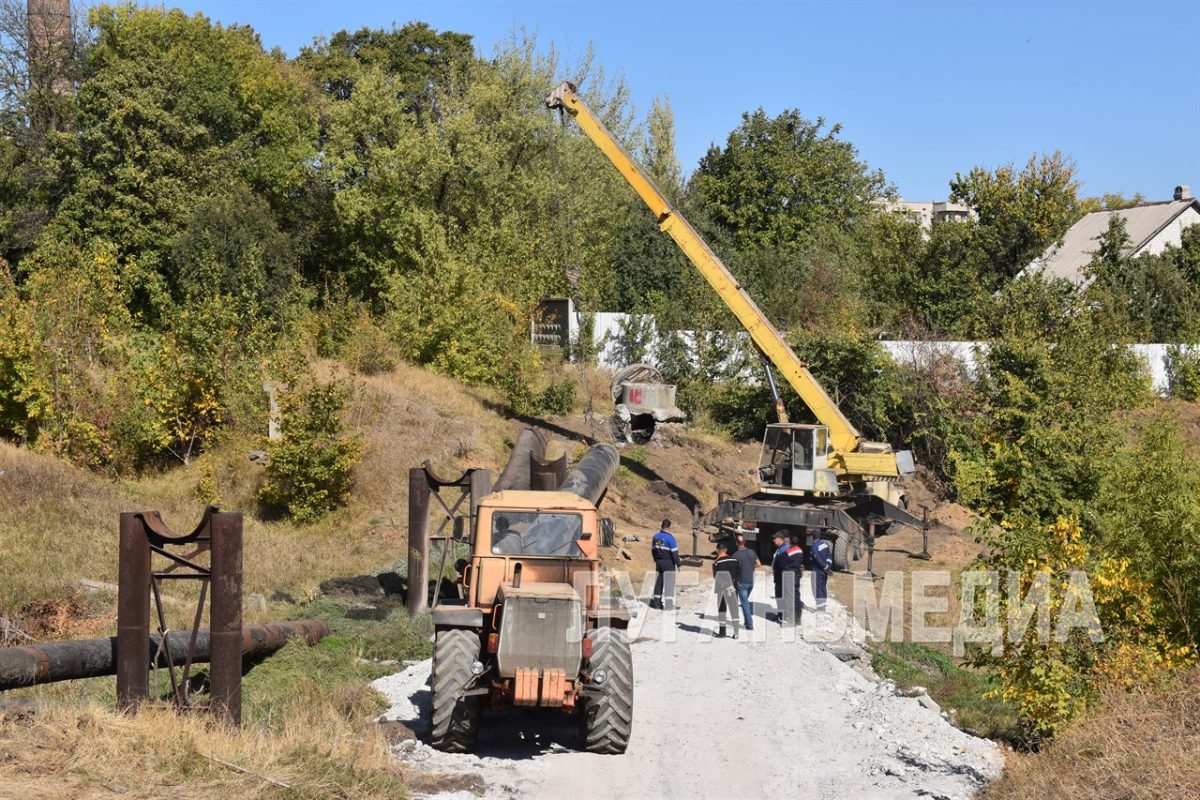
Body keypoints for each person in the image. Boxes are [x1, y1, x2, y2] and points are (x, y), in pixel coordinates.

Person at [650, 519, 681, 610]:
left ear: (662, 526)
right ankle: (669, 606)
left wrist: (656, 560)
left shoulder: (655, 537)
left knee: (658, 583)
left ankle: (657, 604)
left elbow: (653, 550)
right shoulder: (670, 538)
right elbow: (674, 554)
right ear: (669, 527)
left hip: (659, 562)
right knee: (669, 584)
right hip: (668, 563)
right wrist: (678, 564)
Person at [732, 533, 761, 630]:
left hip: (741, 582)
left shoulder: (735, 555)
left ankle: (749, 624)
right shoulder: (752, 552)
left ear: (736, 543)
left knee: (744, 603)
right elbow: (759, 564)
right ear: (745, 542)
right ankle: (747, 621)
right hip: (750, 582)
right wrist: (751, 567)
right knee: (745, 602)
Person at [712, 541, 740, 638]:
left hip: (722, 590)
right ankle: (736, 632)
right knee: (734, 610)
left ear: (717, 550)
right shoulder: (735, 560)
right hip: (733, 588)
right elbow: (739, 573)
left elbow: (717, 577)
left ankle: (722, 632)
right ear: (726, 550)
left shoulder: (716, 563)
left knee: (722, 610)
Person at [782, 533, 806, 624]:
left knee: (789, 597)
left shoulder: (788, 551)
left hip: (789, 575)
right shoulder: (800, 551)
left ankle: (790, 618)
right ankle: (798, 619)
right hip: (797, 575)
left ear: (791, 542)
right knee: (796, 596)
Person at [810, 530, 834, 611]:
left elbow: (818, 560)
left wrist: (824, 567)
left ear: (812, 537)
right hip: (824, 571)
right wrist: (828, 566)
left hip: (817, 571)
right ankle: (823, 605)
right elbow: (829, 556)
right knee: (823, 587)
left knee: (817, 588)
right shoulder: (825, 544)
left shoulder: (814, 547)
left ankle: (820, 608)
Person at [770, 531, 789, 623]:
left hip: (782, 578)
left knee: (782, 597)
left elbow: (784, 565)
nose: (773, 540)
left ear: (780, 539)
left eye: (775, 538)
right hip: (778, 578)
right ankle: (780, 614)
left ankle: (783, 617)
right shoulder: (780, 548)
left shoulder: (784, 549)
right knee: (779, 596)